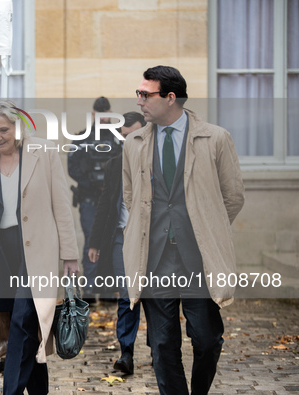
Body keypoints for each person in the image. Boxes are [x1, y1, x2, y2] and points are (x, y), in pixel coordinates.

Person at [123, 65, 245, 394]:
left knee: (207, 339)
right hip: (154, 259)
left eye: (146, 95)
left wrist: (207, 229)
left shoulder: (216, 138)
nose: (140, 101)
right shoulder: (133, 142)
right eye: (139, 94)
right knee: (162, 346)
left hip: (199, 260)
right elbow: (130, 196)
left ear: (171, 98)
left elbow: (232, 197)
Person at [0, 100, 79, 394]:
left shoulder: (44, 153)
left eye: (4, 129)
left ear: (18, 127)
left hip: (37, 251)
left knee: (23, 319)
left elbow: (61, 207)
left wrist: (69, 255)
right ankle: (38, 390)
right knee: (20, 325)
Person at [87, 112, 146, 375]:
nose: (128, 140)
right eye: (124, 136)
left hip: (151, 239)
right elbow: (105, 206)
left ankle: (162, 349)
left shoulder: (157, 161)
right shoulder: (114, 164)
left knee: (155, 298)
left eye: (132, 135)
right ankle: (126, 353)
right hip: (120, 239)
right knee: (126, 296)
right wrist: (95, 242)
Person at [67, 97, 121, 302]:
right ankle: (89, 288)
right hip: (90, 199)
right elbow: (72, 167)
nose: (103, 118)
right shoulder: (81, 139)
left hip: (112, 201)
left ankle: (107, 288)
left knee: (111, 241)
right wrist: (92, 182)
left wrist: (108, 184)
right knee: (91, 240)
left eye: (106, 114)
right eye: (99, 115)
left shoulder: (118, 139)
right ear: (93, 115)